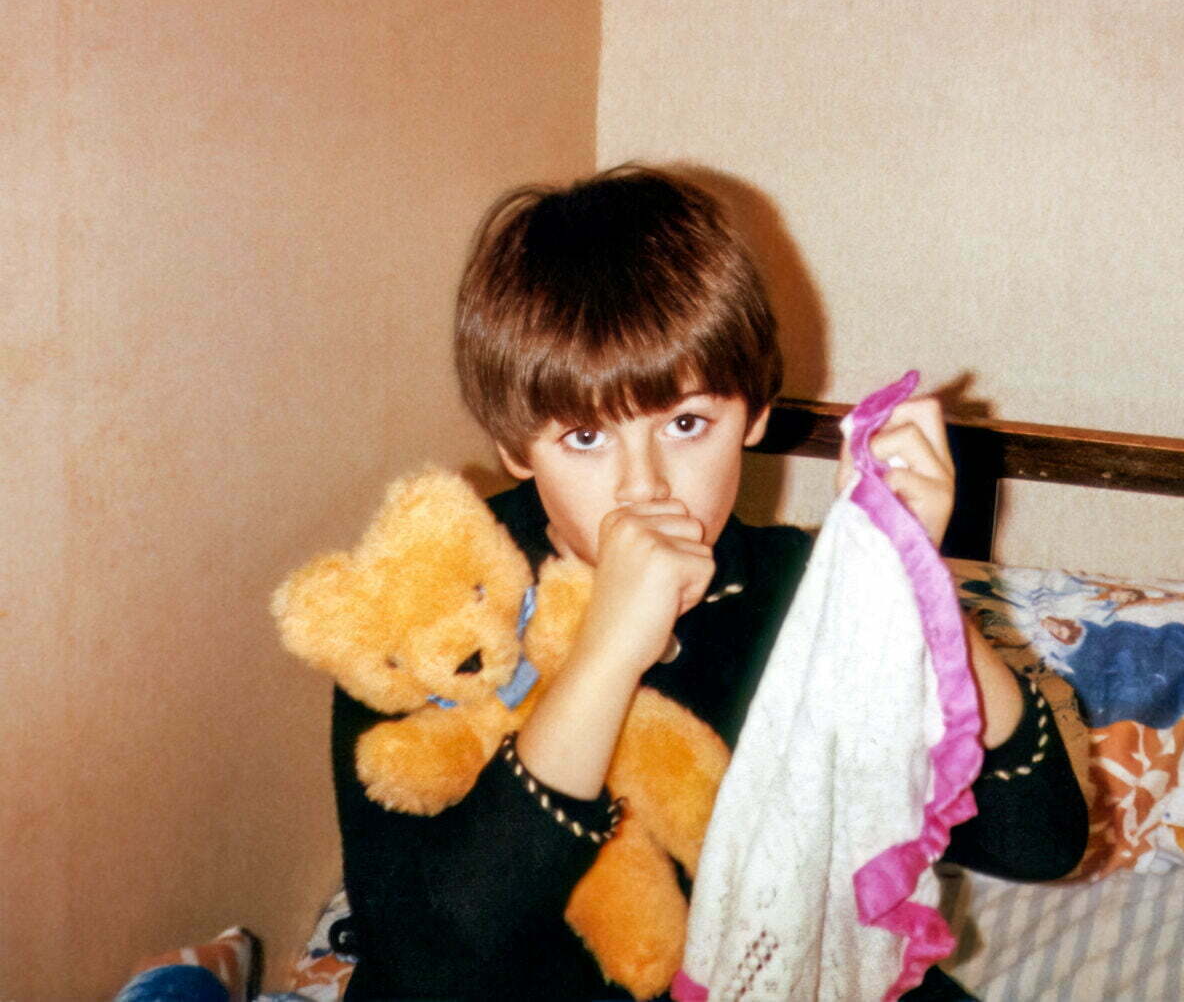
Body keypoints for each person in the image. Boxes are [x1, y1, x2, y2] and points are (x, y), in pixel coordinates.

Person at [331, 165, 1088, 1000]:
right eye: (585, 437)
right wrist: (607, 656)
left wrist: (914, 581)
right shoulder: (429, 598)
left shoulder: (799, 593)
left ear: (755, 414)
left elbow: (1040, 841)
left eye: (687, 424)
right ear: (515, 444)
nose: (644, 487)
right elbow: (431, 962)